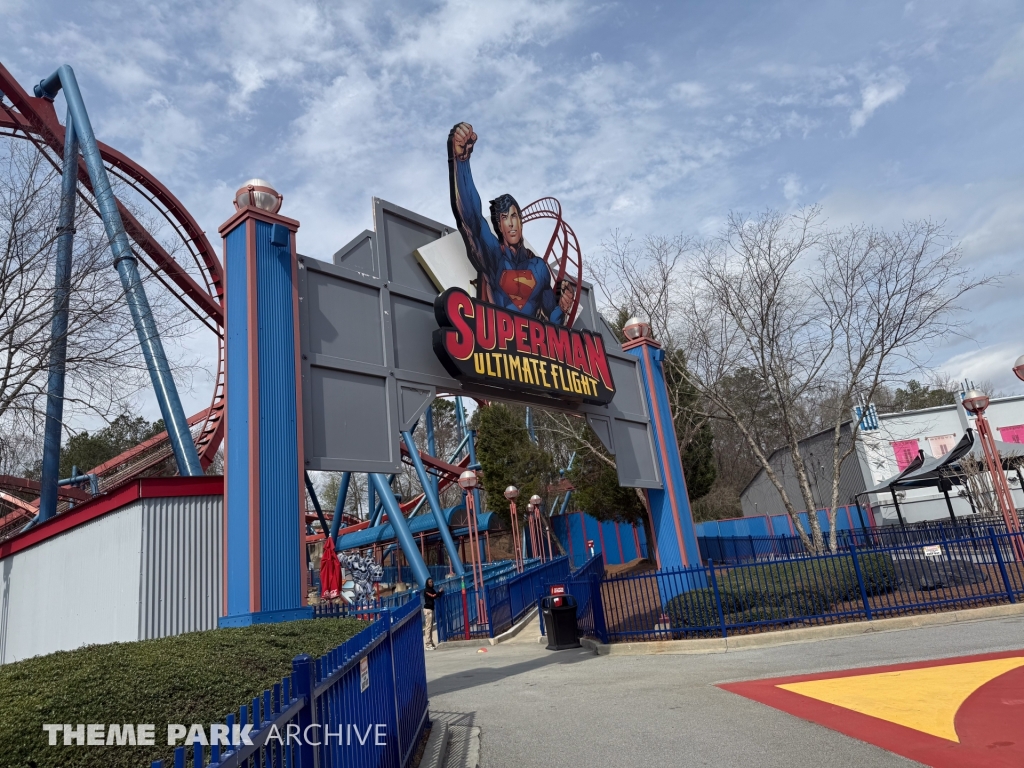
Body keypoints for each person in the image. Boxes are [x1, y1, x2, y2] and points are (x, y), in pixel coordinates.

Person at [448, 121, 574, 324]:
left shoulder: (539, 267)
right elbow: (472, 218)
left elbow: (553, 320)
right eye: (505, 218)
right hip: (499, 346)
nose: (511, 223)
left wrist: (563, 309)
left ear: (521, 221)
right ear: (499, 226)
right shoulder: (494, 256)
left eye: (514, 216)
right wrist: (462, 162)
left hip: (533, 350)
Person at [423, 578, 442, 650]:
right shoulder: (426, 591)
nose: (431, 583)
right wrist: (438, 592)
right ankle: (428, 644)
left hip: (431, 609)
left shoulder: (432, 589)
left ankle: (430, 642)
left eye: (432, 582)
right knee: (428, 627)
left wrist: (439, 593)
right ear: (427, 583)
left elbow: (436, 595)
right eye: (430, 582)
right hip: (428, 610)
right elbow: (433, 596)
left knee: (430, 626)